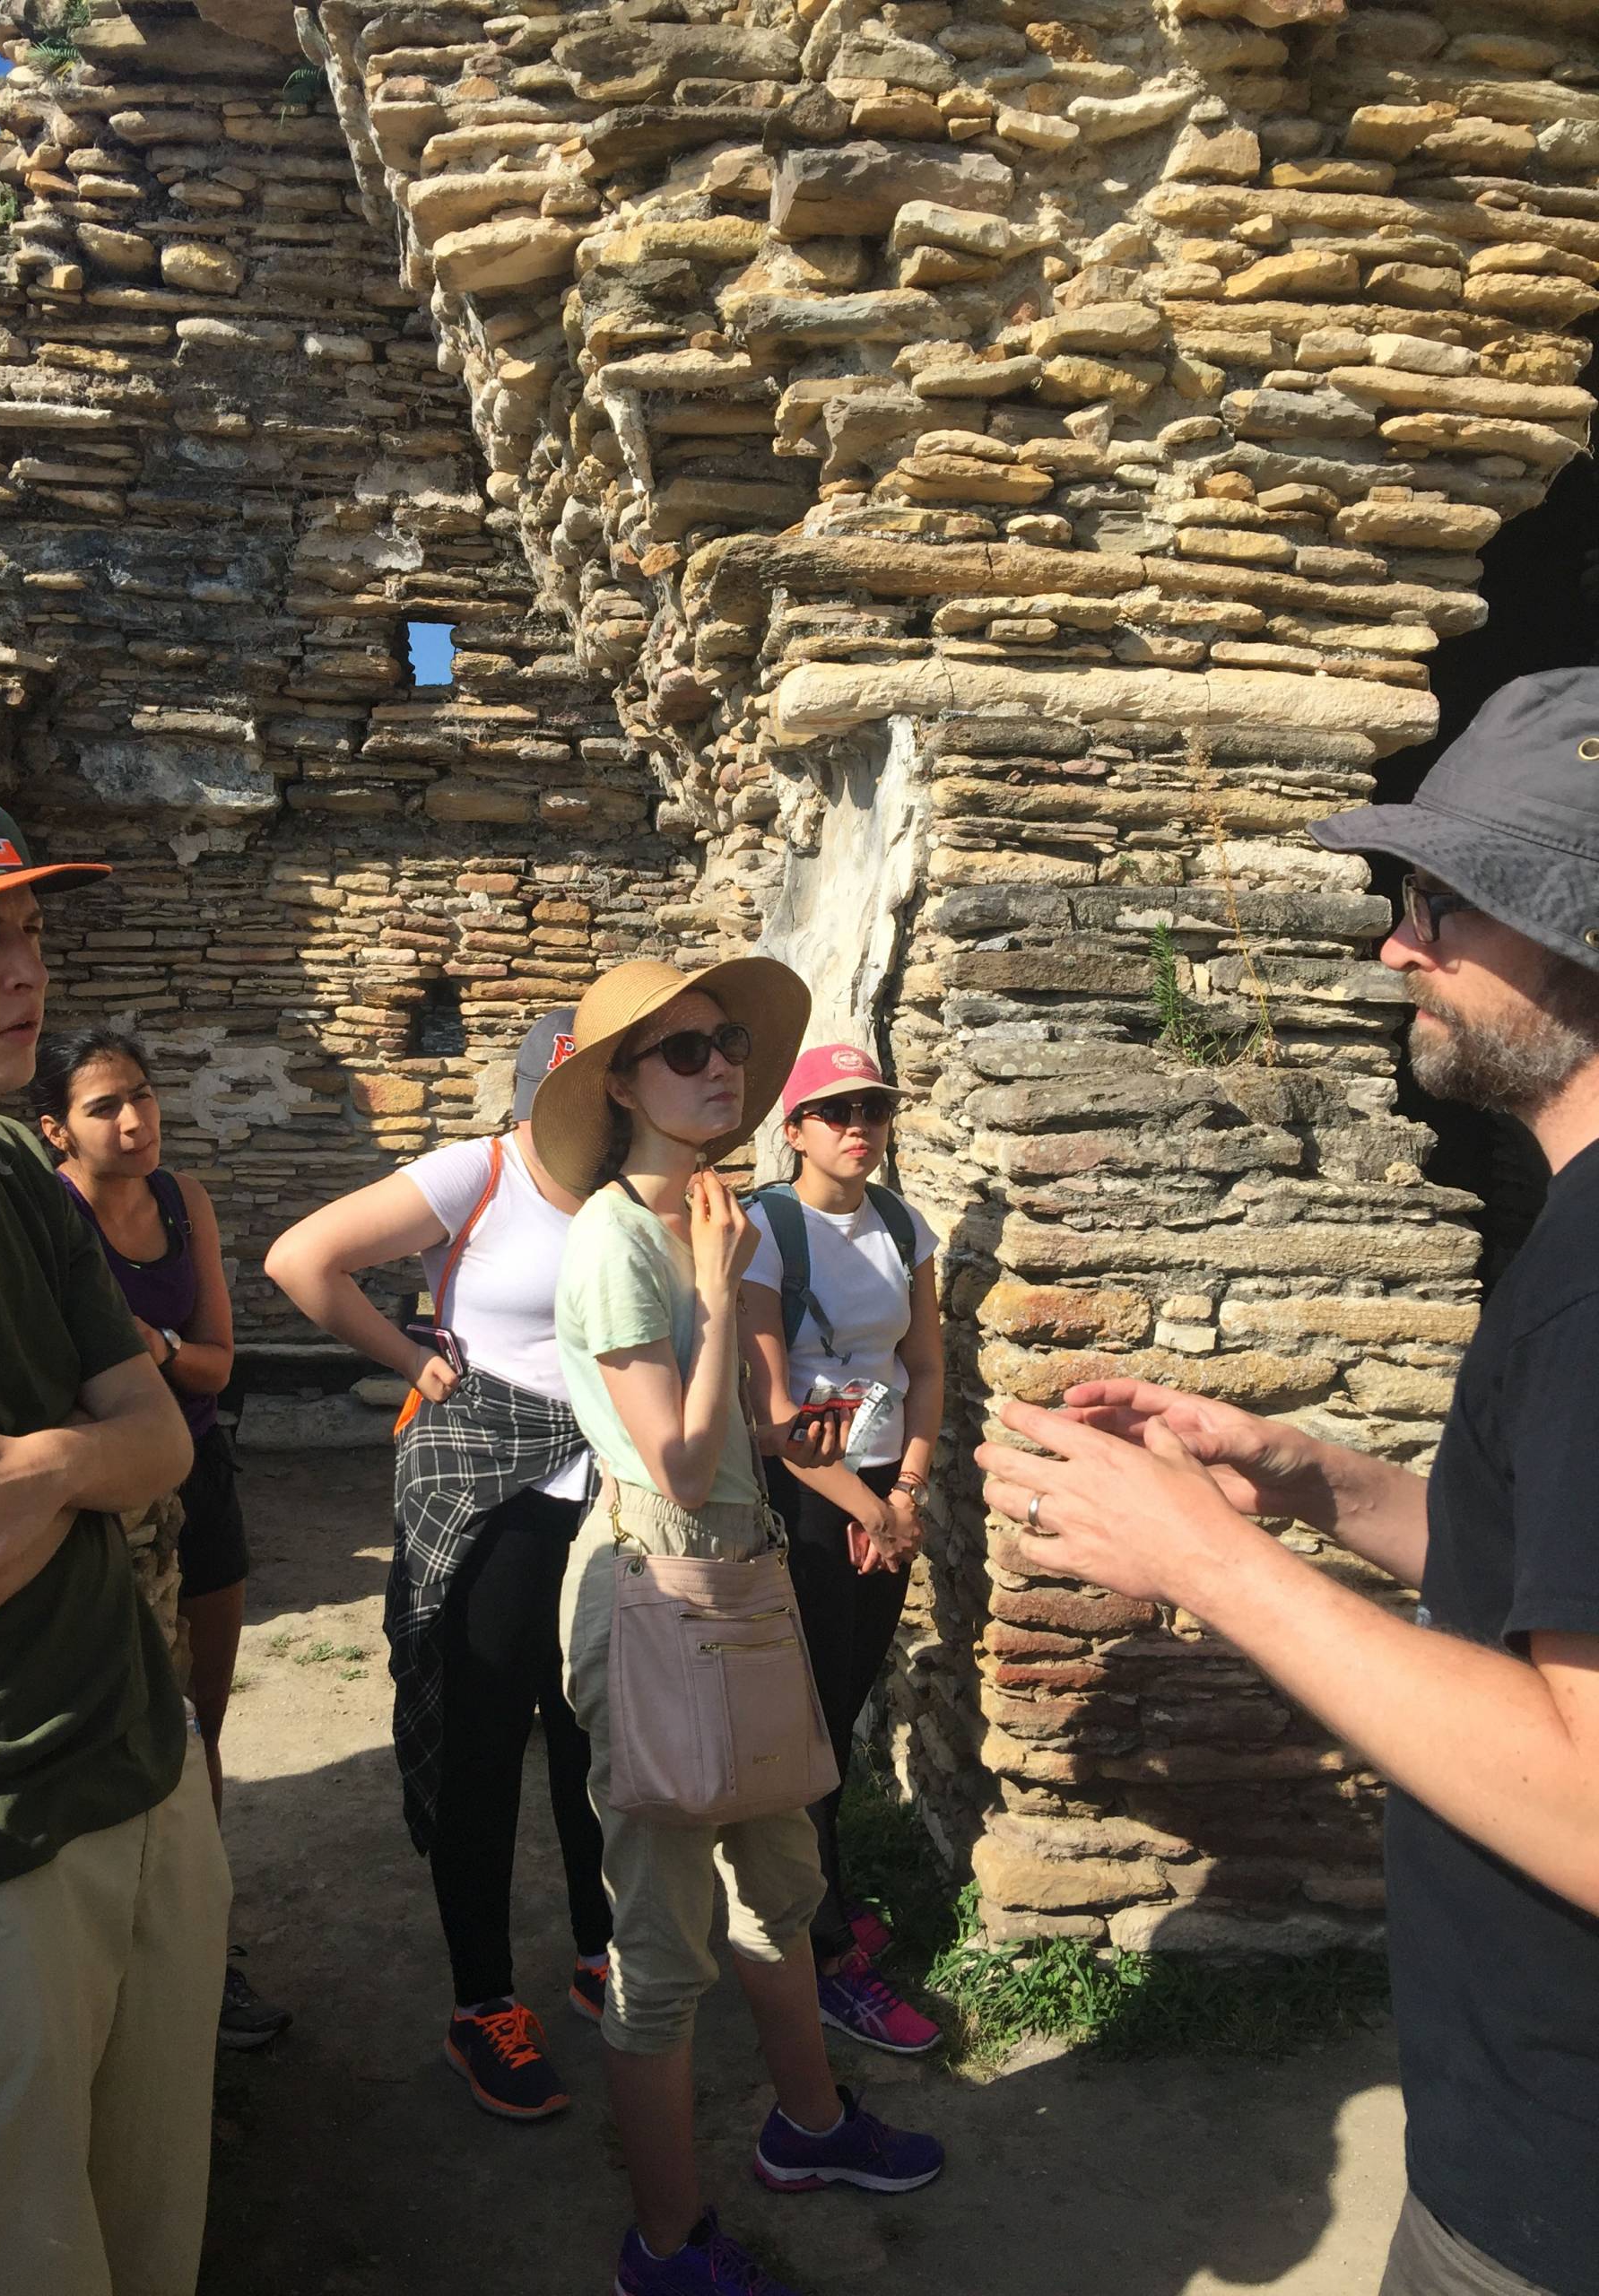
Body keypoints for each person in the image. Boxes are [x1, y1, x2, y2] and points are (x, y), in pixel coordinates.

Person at [977, 668, 1599, 2296]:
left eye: (1443, 905)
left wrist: (1216, 1567)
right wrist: (1309, 1478)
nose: (1401, 947)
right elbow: (1551, 1572)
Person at [534, 959, 943, 2296]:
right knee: (658, 1943)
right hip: (656, 1592)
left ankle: (808, 2127)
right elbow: (669, 1452)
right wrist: (715, 1294)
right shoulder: (616, 1237)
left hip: (743, 1574)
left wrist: (801, 1434)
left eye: (726, 1044)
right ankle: (661, 2245)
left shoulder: (713, 1213)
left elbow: (741, 1440)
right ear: (621, 1087)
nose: (719, 1065)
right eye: (682, 1051)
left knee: (783, 1892)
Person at [0, 778, 226, 2296]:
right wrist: (84, 1469)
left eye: (27, 929)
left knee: (153, 2234)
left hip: (143, 1771)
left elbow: (161, 1444)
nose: (25, 969)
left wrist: (54, 1465)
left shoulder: (19, 1169)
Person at [265, 1011, 611, 2120]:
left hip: (603, 1498)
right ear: (529, 1096)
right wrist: (415, 1358)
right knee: (478, 1750)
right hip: (492, 1501)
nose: (587, 1117)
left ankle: (602, 1952)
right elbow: (301, 1260)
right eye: (569, 1095)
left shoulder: (628, 1194)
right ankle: (484, 2006)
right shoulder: (480, 1172)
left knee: (591, 1738)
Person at [30, 1025, 289, 2052]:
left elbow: (219, 1365)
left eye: (140, 1095)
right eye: (103, 1107)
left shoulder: (183, 1202)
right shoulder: (44, 1213)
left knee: (203, 1718)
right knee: (114, 1726)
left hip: (199, 1474)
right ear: (54, 1127)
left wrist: (156, 1346)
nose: (134, 1120)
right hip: (98, 1499)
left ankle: (202, 1951)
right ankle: (114, 1960)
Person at [742, 1042, 944, 2055]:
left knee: (846, 1696)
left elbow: (927, 1366)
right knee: (812, 1718)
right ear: (795, 1129)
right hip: (808, 1498)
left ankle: (813, 1898)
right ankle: (819, 1951)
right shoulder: (768, 1228)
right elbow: (771, 1409)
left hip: (883, 1493)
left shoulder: (903, 1223)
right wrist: (867, 1509)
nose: (856, 1126)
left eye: (871, 1108)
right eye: (833, 1111)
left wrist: (904, 1490)